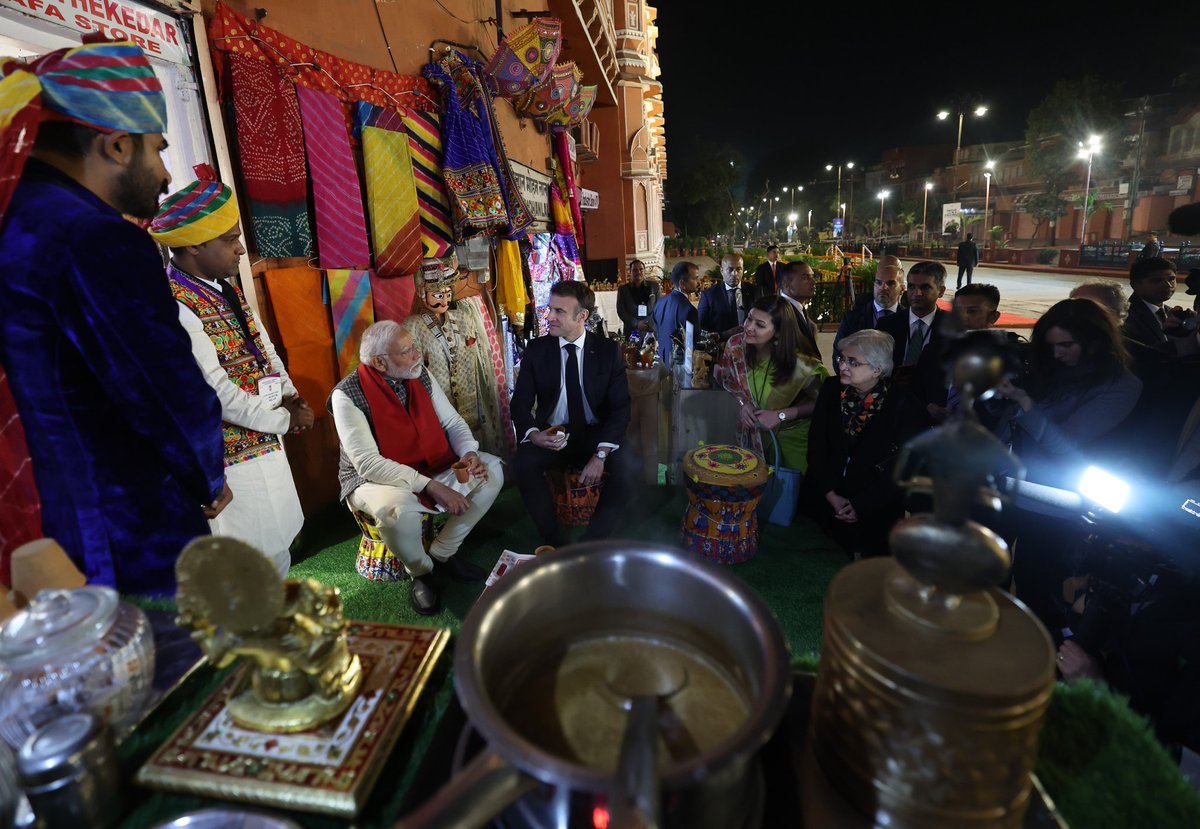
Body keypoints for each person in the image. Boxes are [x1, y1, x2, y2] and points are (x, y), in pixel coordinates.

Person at [0, 40, 228, 596]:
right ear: (118, 146)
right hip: (117, 520)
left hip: (35, 506)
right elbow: (161, 387)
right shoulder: (94, 237)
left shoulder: (14, 218)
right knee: (160, 664)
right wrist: (207, 473)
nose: (168, 175)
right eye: (159, 150)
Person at [148, 168, 309, 576]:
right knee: (248, 562)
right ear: (195, 247)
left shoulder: (225, 286)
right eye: (230, 239)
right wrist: (283, 420)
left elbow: (263, 346)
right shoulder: (176, 305)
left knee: (276, 548)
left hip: (267, 437)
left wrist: (292, 397)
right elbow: (214, 392)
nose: (241, 249)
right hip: (230, 459)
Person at [990, 298, 1143, 629]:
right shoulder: (1048, 368)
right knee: (988, 571)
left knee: (1036, 584)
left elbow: (1067, 446)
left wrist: (1024, 401)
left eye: (1066, 345)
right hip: (1003, 485)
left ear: (1095, 340)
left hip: (1053, 502)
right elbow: (1008, 423)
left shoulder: (1121, 386)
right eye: (1051, 346)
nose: (1057, 354)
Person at [329, 322, 502, 615]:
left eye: (413, 347)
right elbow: (368, 464)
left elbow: (452, 423)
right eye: (406, 351)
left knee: (493, 471)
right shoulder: (346, 394)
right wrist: (432, 486)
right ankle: (421, 572)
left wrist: (469, 452)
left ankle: (442, 553)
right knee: (395, 511)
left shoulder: (419, 375)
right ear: (379, 362)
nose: (416, 354)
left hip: (428, 463)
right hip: (370, 479)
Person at [511, 280, 635, 546]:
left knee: (630, 463)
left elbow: (621, 407)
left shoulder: (606, 351)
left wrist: (601, 454)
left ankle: (594, 540)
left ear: (582, 316)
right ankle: (555, 542)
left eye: (559, 312)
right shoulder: (537, 350)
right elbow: (520, 403)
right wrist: (533, 434)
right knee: (523, 462)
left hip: (595, 433)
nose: (550, 317)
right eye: (550, 309)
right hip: (554, 434)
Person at [803, 330, 925, 557]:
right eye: (842, 358)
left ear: (877, 370)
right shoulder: (831, 390)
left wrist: (861, 506)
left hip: (876, 511)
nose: (842, 366)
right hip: (825, 501)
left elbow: (905, 469)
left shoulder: (905, 406)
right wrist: (830, 493)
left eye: (853, 362)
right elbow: (816, 446)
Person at [402, 254, 507, 456]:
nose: (444, 299)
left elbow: (478, 361)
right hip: (436, 402)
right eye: (437, 294)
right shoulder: (412, 326)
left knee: (475, 447)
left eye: (447, 293)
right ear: (422, 294)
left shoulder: (464, 318)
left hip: (470, 399)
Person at [719, 296, 828, 471]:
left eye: (760, 325)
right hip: (752, 440)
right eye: (749, 318)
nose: (749, 327)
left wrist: (780, 415)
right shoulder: (736, 347)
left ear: (778, 332)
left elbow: (824, 403)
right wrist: (744, 403)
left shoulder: (799, 364)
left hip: (791, 445)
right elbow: (730, 381)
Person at [876, 261, 952, 423]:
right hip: (892, 407)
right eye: (911, 286)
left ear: (941, 291)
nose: (916, 293)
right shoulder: (887, 325)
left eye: (925, 287)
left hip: (934, 413)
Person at [1123, 257, 1198, 356]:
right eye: (1157, 280)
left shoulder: (1174, 314)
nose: (1168, 285)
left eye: (1171, 279)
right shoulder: (1123, 317)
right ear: (1135, 285)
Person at [834, 256, 904, 349]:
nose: (883, 288)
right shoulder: (851, 318)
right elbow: (838, 354)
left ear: (902, 289)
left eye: (891, 283)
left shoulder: (908, 319)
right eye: (879, 282)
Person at [699, 253, 758, 339]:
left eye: (739, 269)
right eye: (730, 269)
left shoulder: (755, 291)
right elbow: (700, 327)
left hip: (750, 343)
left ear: (743, 269)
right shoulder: (709, 295)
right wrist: (722, 335)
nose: (735, 273)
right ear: (722, 271)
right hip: (722, 347)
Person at [652, 261, 699, 363]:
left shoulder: (660, 302)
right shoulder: (689, 310)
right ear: (682, 284)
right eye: (695, 278)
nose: (698, 282)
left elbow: (656, 330)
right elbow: (694, 344)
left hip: (662, 360)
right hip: (680, 365)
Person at [778, 261, 822, 360]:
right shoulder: (779, 313)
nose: (813, 282)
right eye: (805, 278)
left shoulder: (798, 307)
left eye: (812, 277)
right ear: (787, 285)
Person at [616, 258, 656, 339]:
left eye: (641, 269)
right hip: (631, 330)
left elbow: (659, 308)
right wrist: (636, 323)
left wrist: (647, 323)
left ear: (644, 271)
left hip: (650, 331)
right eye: (635, 270)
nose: (638, 272)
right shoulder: (623, 290)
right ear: (629, 272)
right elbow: (621, 311)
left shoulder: (654, 287)